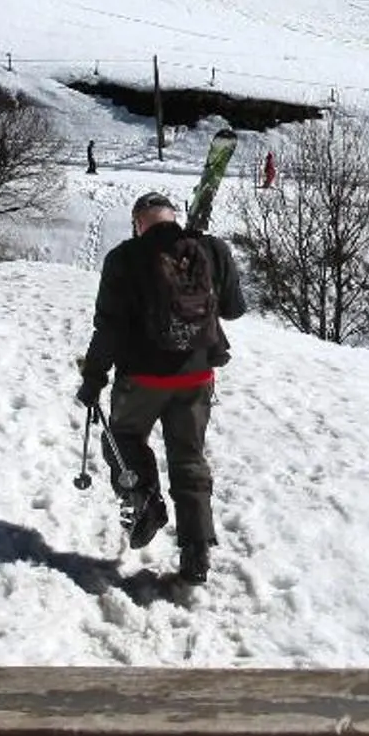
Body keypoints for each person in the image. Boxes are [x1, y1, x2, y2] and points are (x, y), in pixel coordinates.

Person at [77, 191, 248, 584]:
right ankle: (197, 551)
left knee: (121, 439)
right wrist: (212, 263)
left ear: (139, 223)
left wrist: (93, 379)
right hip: (197, 377)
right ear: (174, 217)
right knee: (188, 459)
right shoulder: (210, 248)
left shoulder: (124, 258)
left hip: (142, 377)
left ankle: (144, 500)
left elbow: (110, 327)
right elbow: (235, 309)